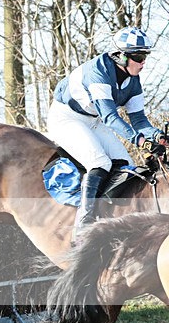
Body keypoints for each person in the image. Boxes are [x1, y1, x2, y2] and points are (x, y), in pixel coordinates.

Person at [48, 26, 167, 235]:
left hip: (95, 120)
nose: (143, 63)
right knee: (99, 163)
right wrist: (140, 141)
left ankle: (108, 217)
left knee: (127, 168)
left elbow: (139, 119)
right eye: (138, 57)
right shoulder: (98, 73)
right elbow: (111, 118)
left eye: (144, 56)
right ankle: (82, 228)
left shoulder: (133, 81)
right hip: (67, 117)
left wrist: (156, 135)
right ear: (119, 56)